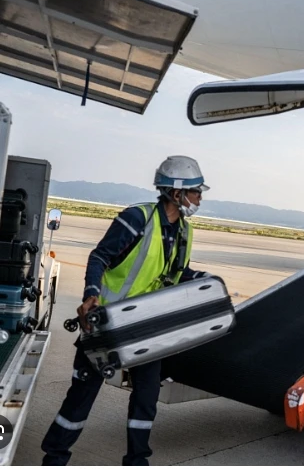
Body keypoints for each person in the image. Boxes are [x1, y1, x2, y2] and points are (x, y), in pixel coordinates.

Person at [41, 156, 212, 466]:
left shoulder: (185, 232)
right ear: (176, 193)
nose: (200, 198)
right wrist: (91, 294)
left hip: (146, 327)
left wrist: (202, 279)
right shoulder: (137, 219)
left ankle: (136, 461)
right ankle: (54, 458)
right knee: (82, 397)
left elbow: (175, 273)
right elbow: (99, 257)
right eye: (196, 191)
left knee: (146, 400)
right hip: (107, 324)